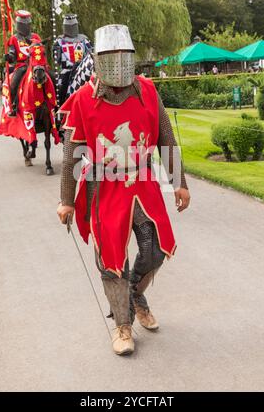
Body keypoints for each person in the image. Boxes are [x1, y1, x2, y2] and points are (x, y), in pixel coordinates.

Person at [57, 24, 191, 356]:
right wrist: (66, 200)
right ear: (100, 60)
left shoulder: (147, 91)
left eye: (123, 57)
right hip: (103, 187)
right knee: (111, 259)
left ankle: (134, 293)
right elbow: (74, 154)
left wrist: (179, 184)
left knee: (156, 249)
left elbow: (166, 140)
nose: (118, 64)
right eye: (111, 57)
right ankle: (122, 324)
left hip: (143, 183)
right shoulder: (82, 100)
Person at [4, 10, 41, 116]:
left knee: (51, 78)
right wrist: (9, 57)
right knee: (14, 83)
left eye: (26, 23)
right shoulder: (14, 39)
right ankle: (14, 105)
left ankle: (55, 103)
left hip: (36, 64)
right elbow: (12, 55)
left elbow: (41, 50)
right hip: (22, 66)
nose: (25, 26)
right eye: (22, 23)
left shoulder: (35, 37)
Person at [53, 14, 92, 106]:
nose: (71, 28)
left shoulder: (84, 40)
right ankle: (61, 107)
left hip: (82, 68)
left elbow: (91, 53)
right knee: (60, 87)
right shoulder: (59, 41)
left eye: (73, 26)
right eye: (68, 26)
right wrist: (56, 51)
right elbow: (57, 60)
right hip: (67, 70)